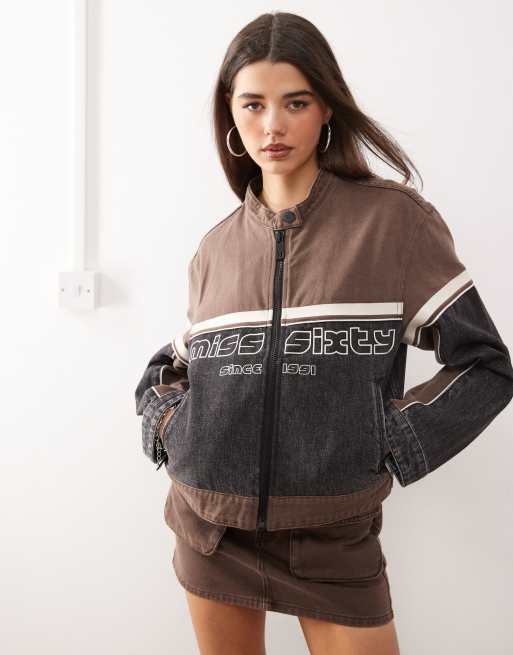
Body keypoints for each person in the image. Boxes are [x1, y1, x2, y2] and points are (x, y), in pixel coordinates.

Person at [134, 11, 513, 655]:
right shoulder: (216, 248)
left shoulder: (393, 224)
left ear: (327, 107)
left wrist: (391, 439)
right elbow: (172, 366)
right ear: (230, 115)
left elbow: (485, 363)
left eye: (296, 102)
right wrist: (172, 428)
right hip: (211, 529)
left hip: (333, 536)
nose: (272, 126)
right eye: (252, 104)